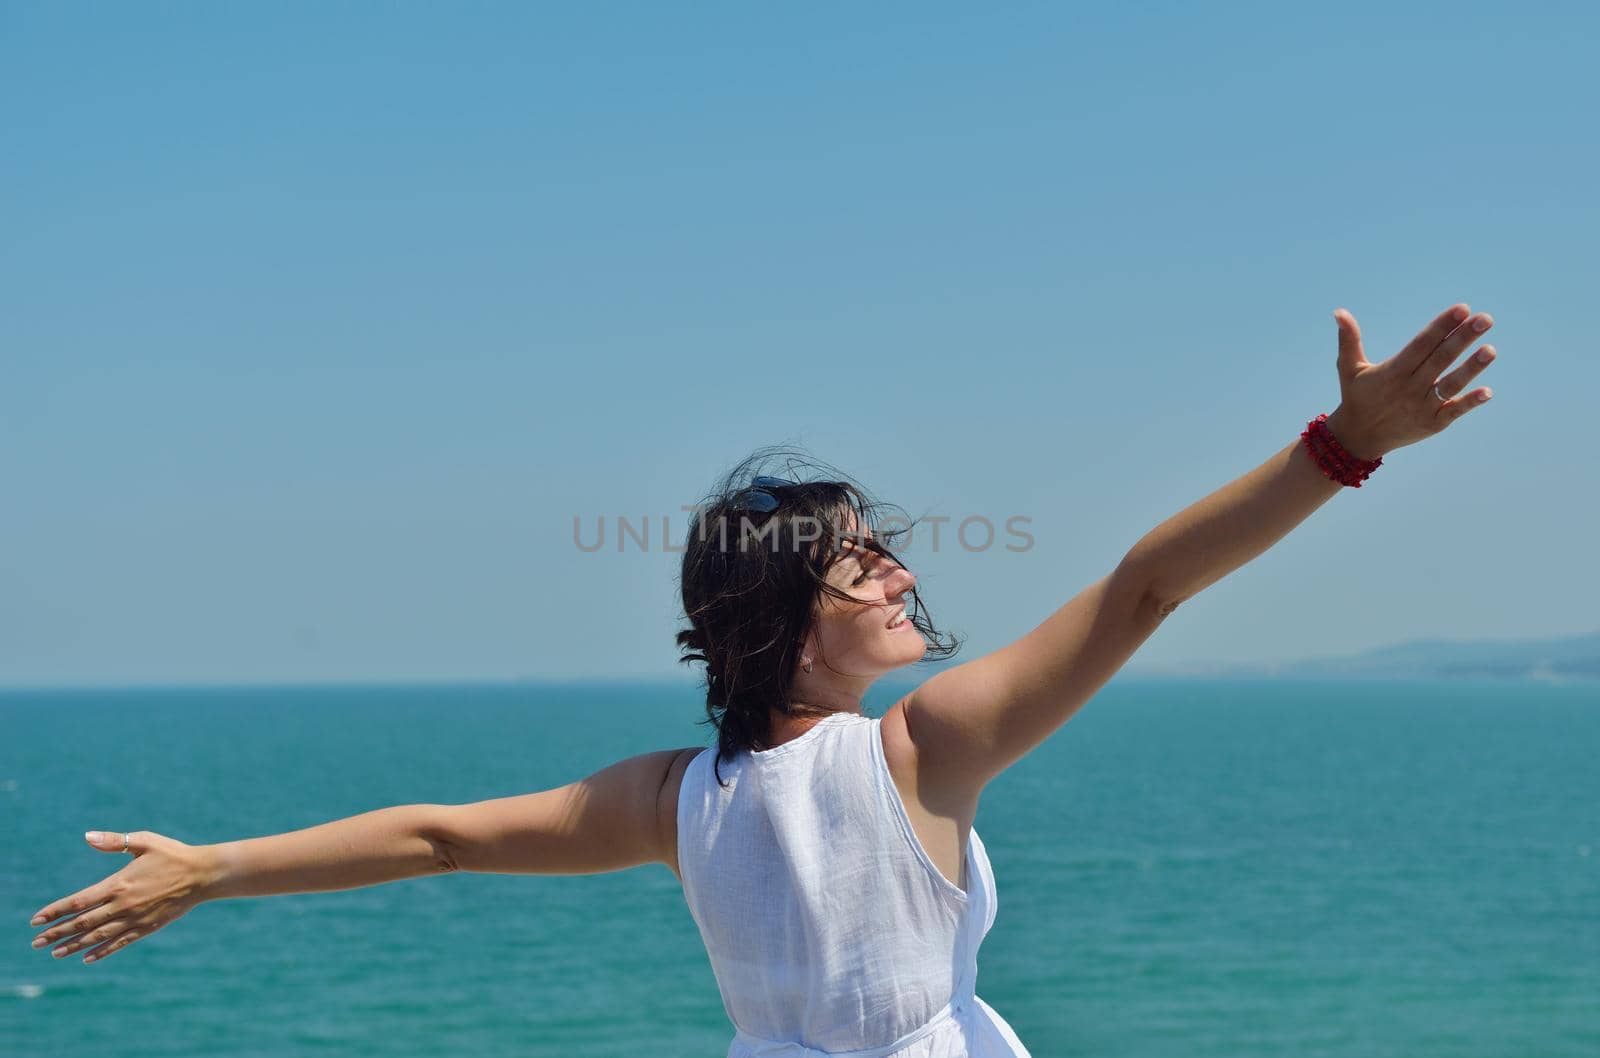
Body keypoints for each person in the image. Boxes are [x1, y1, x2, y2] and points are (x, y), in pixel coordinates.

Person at [29, 303, 1498, 1056]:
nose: (903, 575)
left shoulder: (683, 801)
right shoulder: (918, 750)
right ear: (790, 628)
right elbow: (1144, 586)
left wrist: (213, 867)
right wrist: (1339, 449)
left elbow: (438, 837)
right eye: (865, 566)